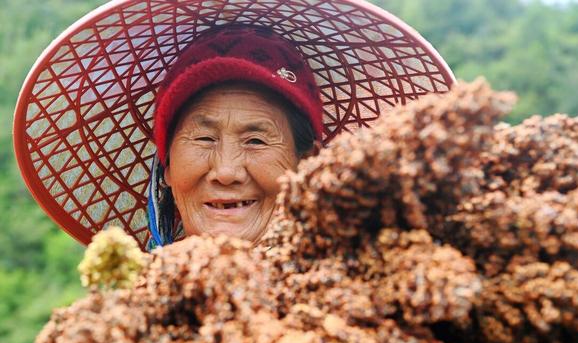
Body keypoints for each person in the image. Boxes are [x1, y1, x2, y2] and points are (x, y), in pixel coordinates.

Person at [14, 0, 455, 253]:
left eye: (257, 139)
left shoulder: (368, 312)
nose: (226, 170)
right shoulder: (115, 333)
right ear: (165, 168)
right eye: (203, 138)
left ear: (309, 165)